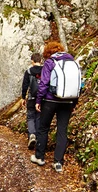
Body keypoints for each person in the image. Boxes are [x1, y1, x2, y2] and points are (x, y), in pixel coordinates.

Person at [31, 41, 79, 172]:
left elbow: (44, 83)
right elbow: (77, 85)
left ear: (48, 52)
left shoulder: (50, 62)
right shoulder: (72, 62)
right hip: (68, 101)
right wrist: (74, 103)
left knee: (43, 128)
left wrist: (39, 100)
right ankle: (58, 162)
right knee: (62, 130)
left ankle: (39, 157)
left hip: (50, 100)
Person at [21, 53, 43, 150]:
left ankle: (32, 135)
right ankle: (37, 138)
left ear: (32, 61)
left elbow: (25, 85)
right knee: (38, 117)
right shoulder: (44, 71)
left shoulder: (28, 72)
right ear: (41, 61)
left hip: (31, 98)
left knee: (30, 116)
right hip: (42, 98)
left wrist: (23, 98)